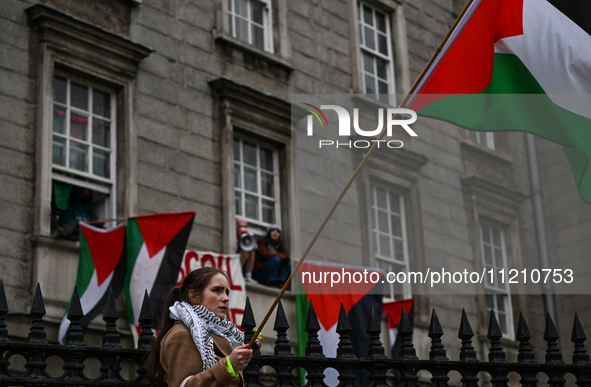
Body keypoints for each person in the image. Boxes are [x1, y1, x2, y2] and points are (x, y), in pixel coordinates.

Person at [147, 267, 261, 387]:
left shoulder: (224, 334)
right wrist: (228, 366)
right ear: (194, 297)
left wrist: (246, 342)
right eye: (217, 290)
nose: (226, 298)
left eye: (226, 292)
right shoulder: (181, 334)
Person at [235, 218, 257, 283]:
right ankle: (237, 273)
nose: (242, 228)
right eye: (240, 226)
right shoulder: (234, 235)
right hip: (236, 255)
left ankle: (248, 275)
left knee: (251, 252)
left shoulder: (248, 234)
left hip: (244, 256)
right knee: (244, 252)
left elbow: (255, 247)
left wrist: (249, 237)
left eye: (245, 227)